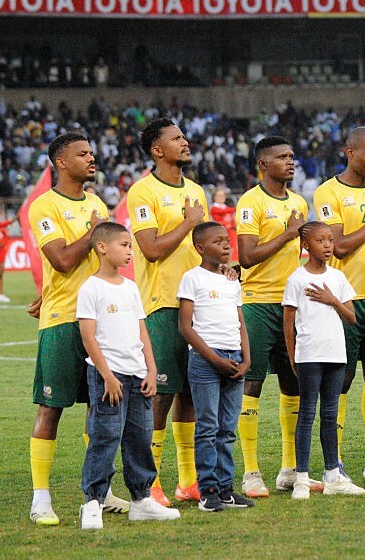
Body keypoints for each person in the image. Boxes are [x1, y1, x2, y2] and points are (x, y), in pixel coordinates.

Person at [27, 132, 114, 525]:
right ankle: (41, 499)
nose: (91, 158)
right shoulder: (44, 205)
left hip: (99, 320)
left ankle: (100, 491)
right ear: (61, 162)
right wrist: (94, 232)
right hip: (63, 319)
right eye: (82, 154)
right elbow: (61, 260)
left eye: (92, 153)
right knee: (52, 407)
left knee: (100, 408)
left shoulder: (96, 203)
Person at [76, 222, 181, 529]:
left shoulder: (131, 287)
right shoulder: (91, 288)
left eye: (131, 246)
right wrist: (107, 376)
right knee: (105, 437)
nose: (129, 251)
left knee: (140, 439)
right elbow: (88, 337)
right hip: (109, 377)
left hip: (138, 376)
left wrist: (151, 369)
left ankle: (141, 500)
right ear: (102, 247)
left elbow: (141, 331)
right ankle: (93, 502)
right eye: (124, 245)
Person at [126, 117, 208, 506]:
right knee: (162, 393)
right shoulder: (143, 192)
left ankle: (188, 481)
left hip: (198, 302)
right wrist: (189, 222)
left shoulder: (195, 190)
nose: (185, 141)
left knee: (189, 391)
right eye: (176, 138)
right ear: (158, 150)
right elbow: (151, 249)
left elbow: (203, 245)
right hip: (162, 303)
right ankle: (151, 481)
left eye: (184, 136)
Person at [313, 127, 365, 480]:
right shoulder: (327, 192)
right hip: (344, 300)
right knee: (341, 380)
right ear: (350, 152)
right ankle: (337, 461)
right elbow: (340, 247)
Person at [235, 136, 311, 498]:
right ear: (263, 164)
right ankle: (251, 472)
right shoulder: (251, 202)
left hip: (292, 305)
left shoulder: (298, 202)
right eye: (282, 157)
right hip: (258, 303)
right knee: (251, 384)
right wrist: (289, 233)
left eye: (292, 156)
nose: (291, 161)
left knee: (292, 382)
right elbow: (247, 256)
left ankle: (289, 469)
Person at [282, 221, 365, 499]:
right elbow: (288, 321)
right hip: (310, 354)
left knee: (330, 415)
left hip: (336, 354)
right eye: (321, 240)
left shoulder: (338, 278)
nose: (328, 245)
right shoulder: (297, 279)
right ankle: (302, 479)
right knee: (307, 414)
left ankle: (333, 476)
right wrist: (293, 355)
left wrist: (333, 300)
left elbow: (352, 317)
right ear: (306, 245)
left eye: (330, 239)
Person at [177, 221, 255, 512]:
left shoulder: (231, 280)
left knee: (227, 428)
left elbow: (240, 321)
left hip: (234, 357)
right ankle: (207, 490)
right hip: (206, 360)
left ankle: (225, 489)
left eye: (226, 240)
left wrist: (246, 359)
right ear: (200, 248)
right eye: (217, 241)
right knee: (208, 427)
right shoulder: (192, 279)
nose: (225, 245)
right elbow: (185, 327)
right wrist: (214, 359)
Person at [209, 187, 238, 262]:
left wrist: (230, 224)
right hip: (220, 233)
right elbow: (220, 216)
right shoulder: (214, 208)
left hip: (231, 232)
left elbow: (232, 221)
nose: (221, 197)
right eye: (219, 196)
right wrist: (236, 208)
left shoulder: (227, 208)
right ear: (215, 197)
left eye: (223, 196)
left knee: (232, 248)